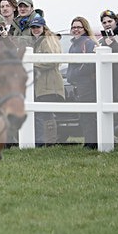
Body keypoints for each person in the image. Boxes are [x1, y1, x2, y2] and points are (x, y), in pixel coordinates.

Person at [29, 16, 64, 146]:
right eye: (33, 27)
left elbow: (51, 60)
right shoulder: (40, 41)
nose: (35, 29)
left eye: (37, 27)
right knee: (44, 113)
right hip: (44, 84)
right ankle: (46, 142)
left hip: (49, 83)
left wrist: (31, 64)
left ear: (43, 27)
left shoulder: (47, 40)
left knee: (45, 114)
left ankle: (47, 142)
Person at [67, 16, 98, 149]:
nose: (76, 30)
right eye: (73, 27)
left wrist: (74, 75)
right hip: (78, 85)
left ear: (84, 28)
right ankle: (89, 142)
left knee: (88, 115)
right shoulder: (73, 44)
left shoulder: (88, 43)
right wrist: (70, 77)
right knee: (83, 115)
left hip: (88, 85)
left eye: (78, 27)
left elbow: (88, 65)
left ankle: (92, 143)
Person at [98, 9, 118, 146]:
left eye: (110, 21)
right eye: (104, 22)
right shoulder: (103, 40)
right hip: (111, 80)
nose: (107, 24)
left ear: (116, 22)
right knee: (117, 112)